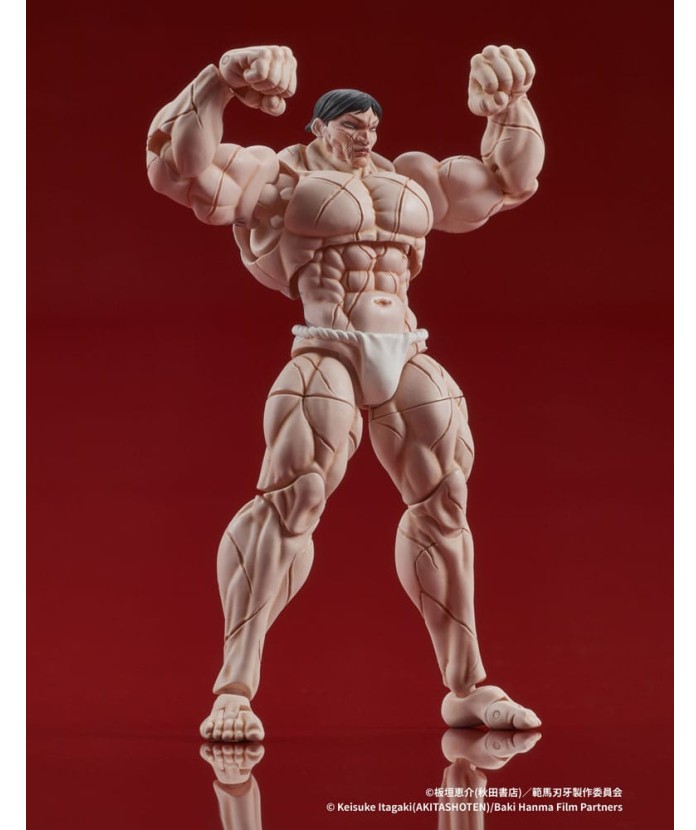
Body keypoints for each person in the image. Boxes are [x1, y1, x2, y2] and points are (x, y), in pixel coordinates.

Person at [147, 44, 545, 742]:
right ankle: (234, 688)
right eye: (352, 125)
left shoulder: (408, 178)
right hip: (326, 345)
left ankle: (468, 687)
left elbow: (510, 180)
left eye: (372, 125)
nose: (366, 135)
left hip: (406, 347)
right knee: (293, 495)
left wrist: (511, 101)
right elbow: (177, 168)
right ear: (319, 127)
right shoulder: (276, 176)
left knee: (447, 499)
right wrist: (219, 81)